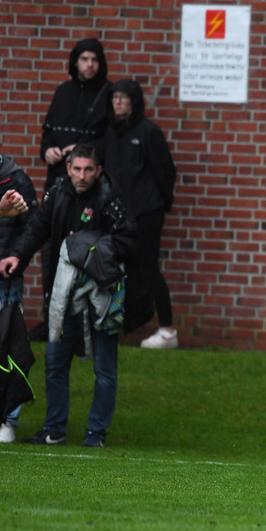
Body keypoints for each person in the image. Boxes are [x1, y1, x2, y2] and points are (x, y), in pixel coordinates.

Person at [1, 144, 138, 448]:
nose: (82, 175)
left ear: (98, 171)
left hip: (101, 297)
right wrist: (17, 256)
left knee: (104, 367)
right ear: (68, 168)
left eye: (89, 169)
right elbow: (38, 227)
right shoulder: (58, 191)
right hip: (63, 296)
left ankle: (96, 433)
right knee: (54, 362)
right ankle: (54, 430)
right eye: (77, 169)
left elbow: (129, 240)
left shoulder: (111, 198)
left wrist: (88, 245)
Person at [32, 38, 113, 341]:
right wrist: (49, 152)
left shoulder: (107, 94)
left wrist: (80, 151)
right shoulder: (63, 92)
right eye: (83, 59)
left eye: (94, 59)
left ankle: (82, 325)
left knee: (83, 254)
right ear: (75, 62)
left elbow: (110, 144)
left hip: (88, 191)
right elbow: (46, 136)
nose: (89, 65)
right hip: (57, 184)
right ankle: (49, 319)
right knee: (49, 250)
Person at [99, 79, 178, 349]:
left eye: (123, 97)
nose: (118, 101)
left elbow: (165, 172)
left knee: (148, 268)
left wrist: (158, 204)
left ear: (134, 101)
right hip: (116, 215)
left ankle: (167, 331)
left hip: (146, 214)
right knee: (114, 269)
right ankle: (116, 328)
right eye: (114, 97)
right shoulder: (109, 133)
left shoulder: (147, 132)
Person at [0, 121, 36, 443]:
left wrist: (16, 256)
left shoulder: (16, 180)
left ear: (0, 145)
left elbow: (33, 227)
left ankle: (8, 422)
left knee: (6, 348)